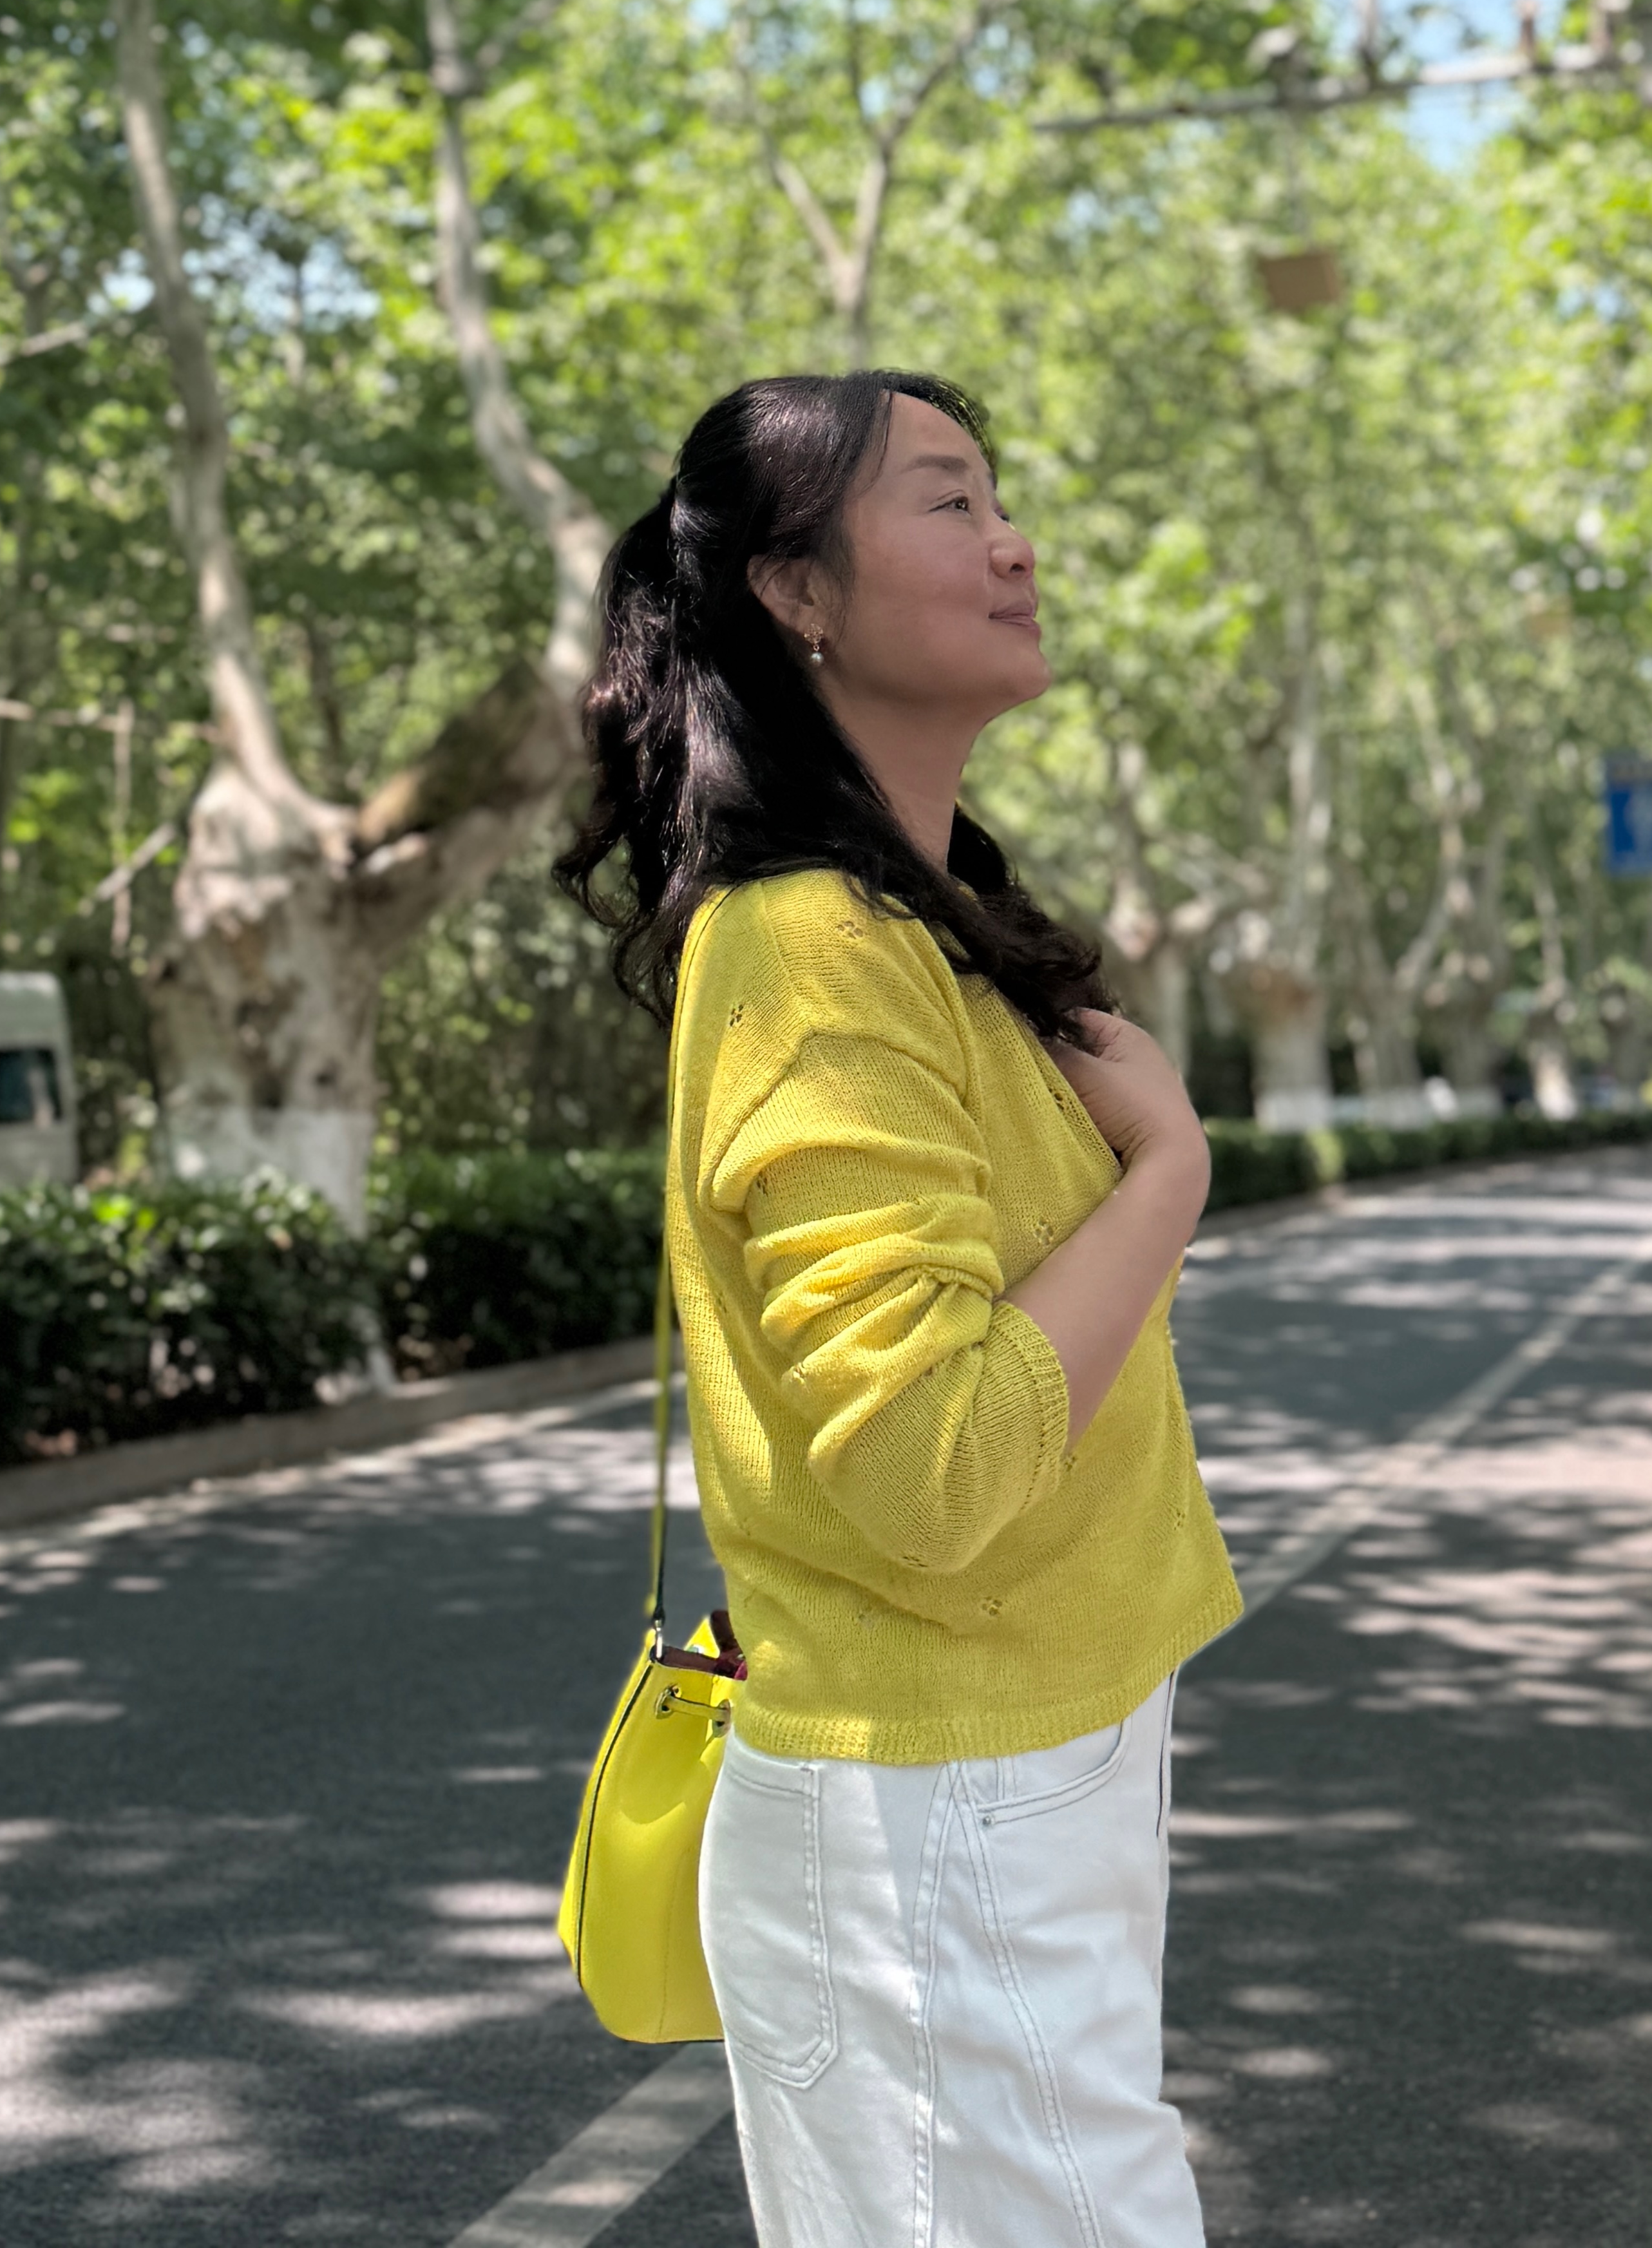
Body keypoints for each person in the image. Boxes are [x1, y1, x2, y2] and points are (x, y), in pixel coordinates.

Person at [557, 368, 1240, 2248]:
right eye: (949, 503)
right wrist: (1168, 1175)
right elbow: (934, 1463)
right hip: (933, 1823)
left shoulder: (927, 929)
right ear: (796, 592)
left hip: (1019, 1772)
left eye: (998, 498)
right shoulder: (806, 949)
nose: (1013, 543)